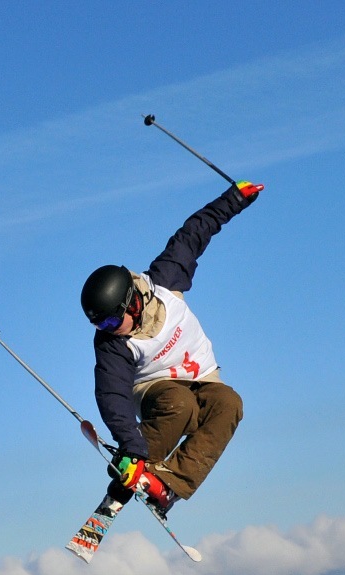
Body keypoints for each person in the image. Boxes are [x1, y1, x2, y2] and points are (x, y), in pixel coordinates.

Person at [80, 179, 262, 521]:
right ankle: (138, 464)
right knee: (178, 404)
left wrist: (234, 198)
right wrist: (131, 447)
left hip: (204, 377)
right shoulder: (112, 346)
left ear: (132, 303)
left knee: (229, 404)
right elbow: (112, 396)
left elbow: (194, 233)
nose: (105, 331)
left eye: (108, 322)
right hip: (154, 389)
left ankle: (168, 485)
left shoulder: (165, 281)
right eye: (99, 325)